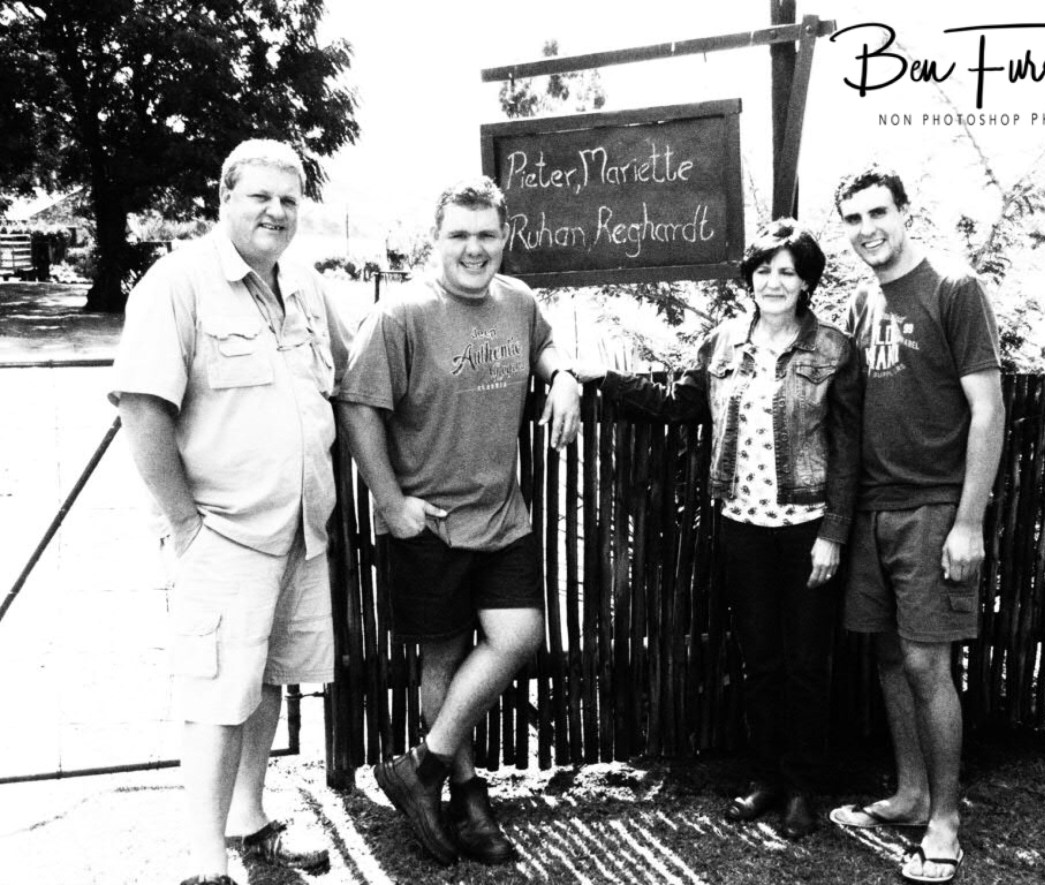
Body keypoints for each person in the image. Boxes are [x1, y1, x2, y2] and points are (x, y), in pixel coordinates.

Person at [111, 139, 353, 885]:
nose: (276, 212)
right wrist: (185, 525)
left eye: (289, 199)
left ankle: (250, 822)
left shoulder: (307, 287)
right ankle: (204, 863)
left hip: (300, 534)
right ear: (224, 200)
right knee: (217, 694)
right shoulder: (177, 284)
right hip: (223, 532)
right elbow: (143, 413)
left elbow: (354, 371)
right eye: (260, 197)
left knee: (267, 680)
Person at [578, 219, 862, 839]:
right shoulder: (726, 341)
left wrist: (833, 535)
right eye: (764, 269)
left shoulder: (834, 348)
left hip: (806, 527)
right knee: (759, 660)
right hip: (741, 524)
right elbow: (682, 401)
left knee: (806, 664)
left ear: (807, 280)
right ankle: (765, 779)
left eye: (788, 271)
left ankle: (803, 789)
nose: (774, 281)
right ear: (750, 277)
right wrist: (605, 379)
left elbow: (847, 449)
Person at [336, 176, 581, 866]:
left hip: (504, 517)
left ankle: (424, 767)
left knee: (517, 635)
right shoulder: (401, 315)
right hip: (431, 521)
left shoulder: (519, 300)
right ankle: (469, 800)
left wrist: (563, 374)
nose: (474, 249)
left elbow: (542, 345)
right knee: (442, 656)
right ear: (434, 239)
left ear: (505, 237)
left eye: (486, 235)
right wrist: (390, 502)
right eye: (459, 235)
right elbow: (357, 405)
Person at [827, 166, 1004, 885]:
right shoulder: (861, 302)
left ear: (906, 213)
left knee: (930, 662)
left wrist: (968, 522)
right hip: (875, 508)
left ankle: (945, 820)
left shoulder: (953, 289)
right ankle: (908, 794)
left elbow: (988, 411)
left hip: (934, 508)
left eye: (880, 212)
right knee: (891, 658)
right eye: (854, 218)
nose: (868, 227)